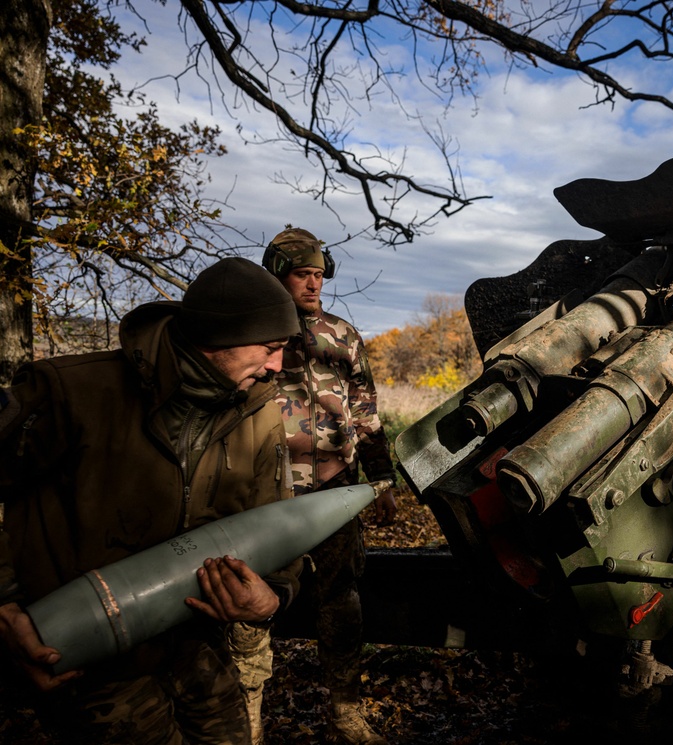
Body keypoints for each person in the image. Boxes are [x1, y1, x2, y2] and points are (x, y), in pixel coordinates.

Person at [0, 257, 303, 744]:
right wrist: (3, 603)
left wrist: (273, 595)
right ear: (219, 335)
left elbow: (279, 523)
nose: (277, 365)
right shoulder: (69, 392)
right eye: (270, 348)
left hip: (198, 649)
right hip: (90, 659)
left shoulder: (259, 412)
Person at [261, 227, 398, 745]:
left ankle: (345, 709)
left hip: (337, 490)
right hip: (270, 495)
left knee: (341, 599)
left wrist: (381, 480)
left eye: (319, 274)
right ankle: (247, 701)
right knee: (257, 596)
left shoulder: (343, 335)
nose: (314, 283)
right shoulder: (258, 335)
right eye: (303, 274)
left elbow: (366, 412)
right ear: (279, 274)